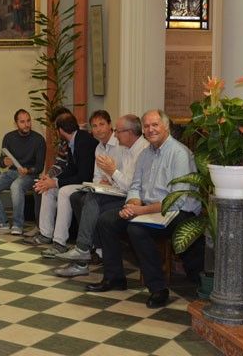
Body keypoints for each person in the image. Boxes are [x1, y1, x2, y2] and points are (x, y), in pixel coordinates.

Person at [86, 110, 201, 309]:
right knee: (106, 220)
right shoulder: (145, 154)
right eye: (147, 126)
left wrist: (140, 211)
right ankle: (115, 278)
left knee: (136, 229)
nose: (150, 129)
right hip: (148, 208)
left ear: (166, 127)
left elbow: (176, 200)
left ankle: (158, 288)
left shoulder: (179, 154)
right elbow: (135, 186)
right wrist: (132, 204)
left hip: (178, 212)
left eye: (155, 125)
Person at [54, 114, 149, 277]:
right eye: (94, 126)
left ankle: (84, 251)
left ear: (129, 132)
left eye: (117, 131)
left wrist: (112, 172)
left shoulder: (139, 149)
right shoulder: (126, 148)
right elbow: (100, 177)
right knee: (81, 197)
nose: (115, 134)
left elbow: (130, 186)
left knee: (92, 200)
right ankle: (87, 251)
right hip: (121, 192)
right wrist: (108, 179)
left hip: (134, 199)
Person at [26, 113, 98, 252]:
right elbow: (70, 168)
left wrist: (57, 184)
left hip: (89, 183)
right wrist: (53, 180)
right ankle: (45, 234)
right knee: (47, 188)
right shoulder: (73, 140)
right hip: (80, 180)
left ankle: (59, 242)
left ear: (60, 130)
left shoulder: (84, 142)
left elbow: (84, 176)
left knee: (63, 192)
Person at [0, 109, 46, 235]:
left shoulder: (39, 139)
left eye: (28, 121)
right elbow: (1, 162)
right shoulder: (9, 137)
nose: (26, 124)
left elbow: (39, 167)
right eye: (22, 122)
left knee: (16, 186)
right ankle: (2, 222)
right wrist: (4, 162)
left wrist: (28, 170)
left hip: (30, 175)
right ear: (16, 123)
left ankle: (18, 225)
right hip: (12, 172)